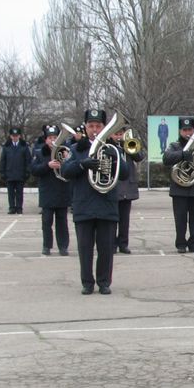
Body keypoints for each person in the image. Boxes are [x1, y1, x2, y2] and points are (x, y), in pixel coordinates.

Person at [61, 109, 129, 295]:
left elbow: (125, 174)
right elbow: (65, 171)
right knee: (85, 249)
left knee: (106, 249)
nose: (95, 129)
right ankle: (87, 283)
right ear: (85, 127)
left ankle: (104, 282)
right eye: (91, 126)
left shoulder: (112, 148)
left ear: (104, 127)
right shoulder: (76, 149)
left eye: (98, 126)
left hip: (106, 205)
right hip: (84, 205)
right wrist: (82, 164)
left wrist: (114, 153)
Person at [163, 117, 194, 254]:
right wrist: (182, 155)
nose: (187, 133)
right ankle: (181, 244)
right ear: (180, 131)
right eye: (184, 130)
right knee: (180, 218)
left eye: (190, 130)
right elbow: (166, 158)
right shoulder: (174, 145)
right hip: (179, 188)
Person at [31, 125, 71, 256]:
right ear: (46, 139)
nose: (52, 140)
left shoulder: (65, 151)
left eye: (55, 137)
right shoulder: (39, 152)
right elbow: (34, 170)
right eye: (50, 138)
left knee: (62, 222)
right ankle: (47, 246)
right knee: (47, 222)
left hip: (62, 191)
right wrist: (47, 165)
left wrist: (67, 160)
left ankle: (63, 247)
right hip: (47, 192)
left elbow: (72, 169)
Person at [111, 127, 145, 254]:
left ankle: (123, 244)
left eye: (121, 134)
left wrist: (129, 146)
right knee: (113, 218)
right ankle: (112, 244)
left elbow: (139, 157)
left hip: (127, 187)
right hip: (114, 186)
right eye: (116, 134)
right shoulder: (109, 146)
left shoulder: (129, 144)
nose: (119, 137)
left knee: (125, 219)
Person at [0, 127, 30, 214]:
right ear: (11, 136)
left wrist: (27, 172)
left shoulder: (24, 146)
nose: (15, 137)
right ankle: (12, 208)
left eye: (16, 136)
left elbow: (28, 160)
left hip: (20, 173)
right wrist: (2, 172)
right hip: (9, 173)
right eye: (13, 136)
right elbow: (3, 160)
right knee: (11, 193)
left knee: (20, 192)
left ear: (19, 136)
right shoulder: (6, 146)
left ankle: (19, 208)